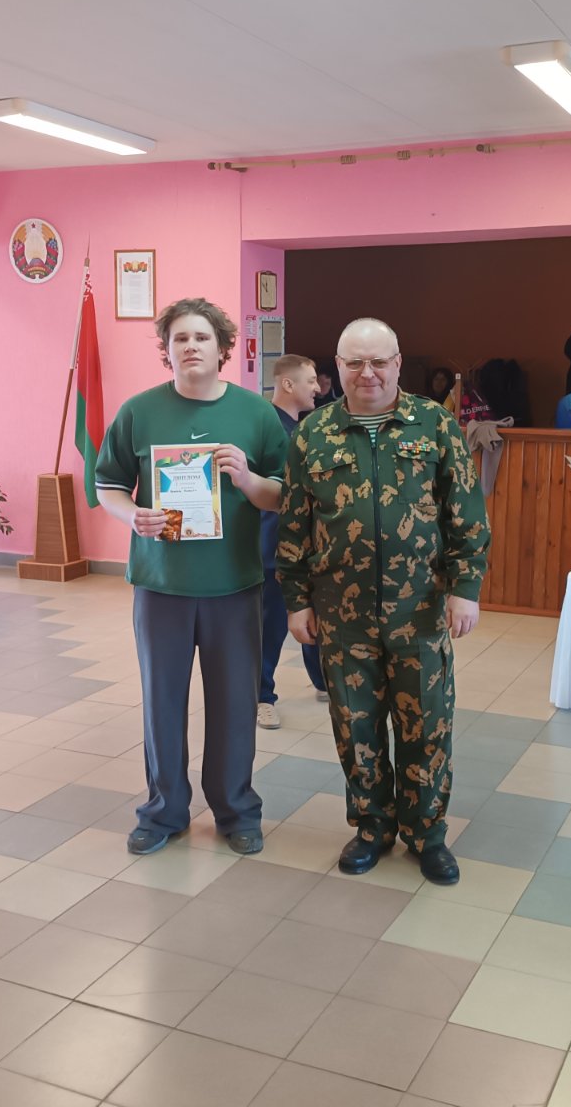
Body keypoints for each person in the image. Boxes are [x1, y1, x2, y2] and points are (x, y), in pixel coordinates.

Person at [277, 318, 490, 886]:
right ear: (337, 367)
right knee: (356, 726)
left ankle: (427, 833)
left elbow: (466, 511)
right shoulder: (314, 433)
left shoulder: (434, 424)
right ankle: (372, 827)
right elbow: (295, 521)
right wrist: (296, 600)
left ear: (397, 363)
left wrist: (465, 588)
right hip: (340, 613)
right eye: (354, 362)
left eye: (378, 361)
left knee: (427, 724)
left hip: (419, 608)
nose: (367, 373)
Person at [93, 298, 288, 856]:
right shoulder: (139, 412)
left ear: (223, 347)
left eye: (201, 337)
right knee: (162, 703)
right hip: (162, 585)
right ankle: (164, 812)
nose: (191, 346)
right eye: (180, 338)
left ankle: (236, 811)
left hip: (234, 584)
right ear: (167, 349)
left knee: (234, 705)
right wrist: (133, 516)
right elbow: (107, 485)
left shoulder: (256, 414)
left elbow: (283, 493)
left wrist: (247, 479)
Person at [257, 354, 327, 730]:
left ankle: (323, 681)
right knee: (271, 627)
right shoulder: (266, 427)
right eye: (310, 381)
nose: (317, 388)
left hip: (308, 547)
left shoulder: (303, 429)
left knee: (314, 614)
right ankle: (261, 697)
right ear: (287, 384)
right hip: (272, 546)